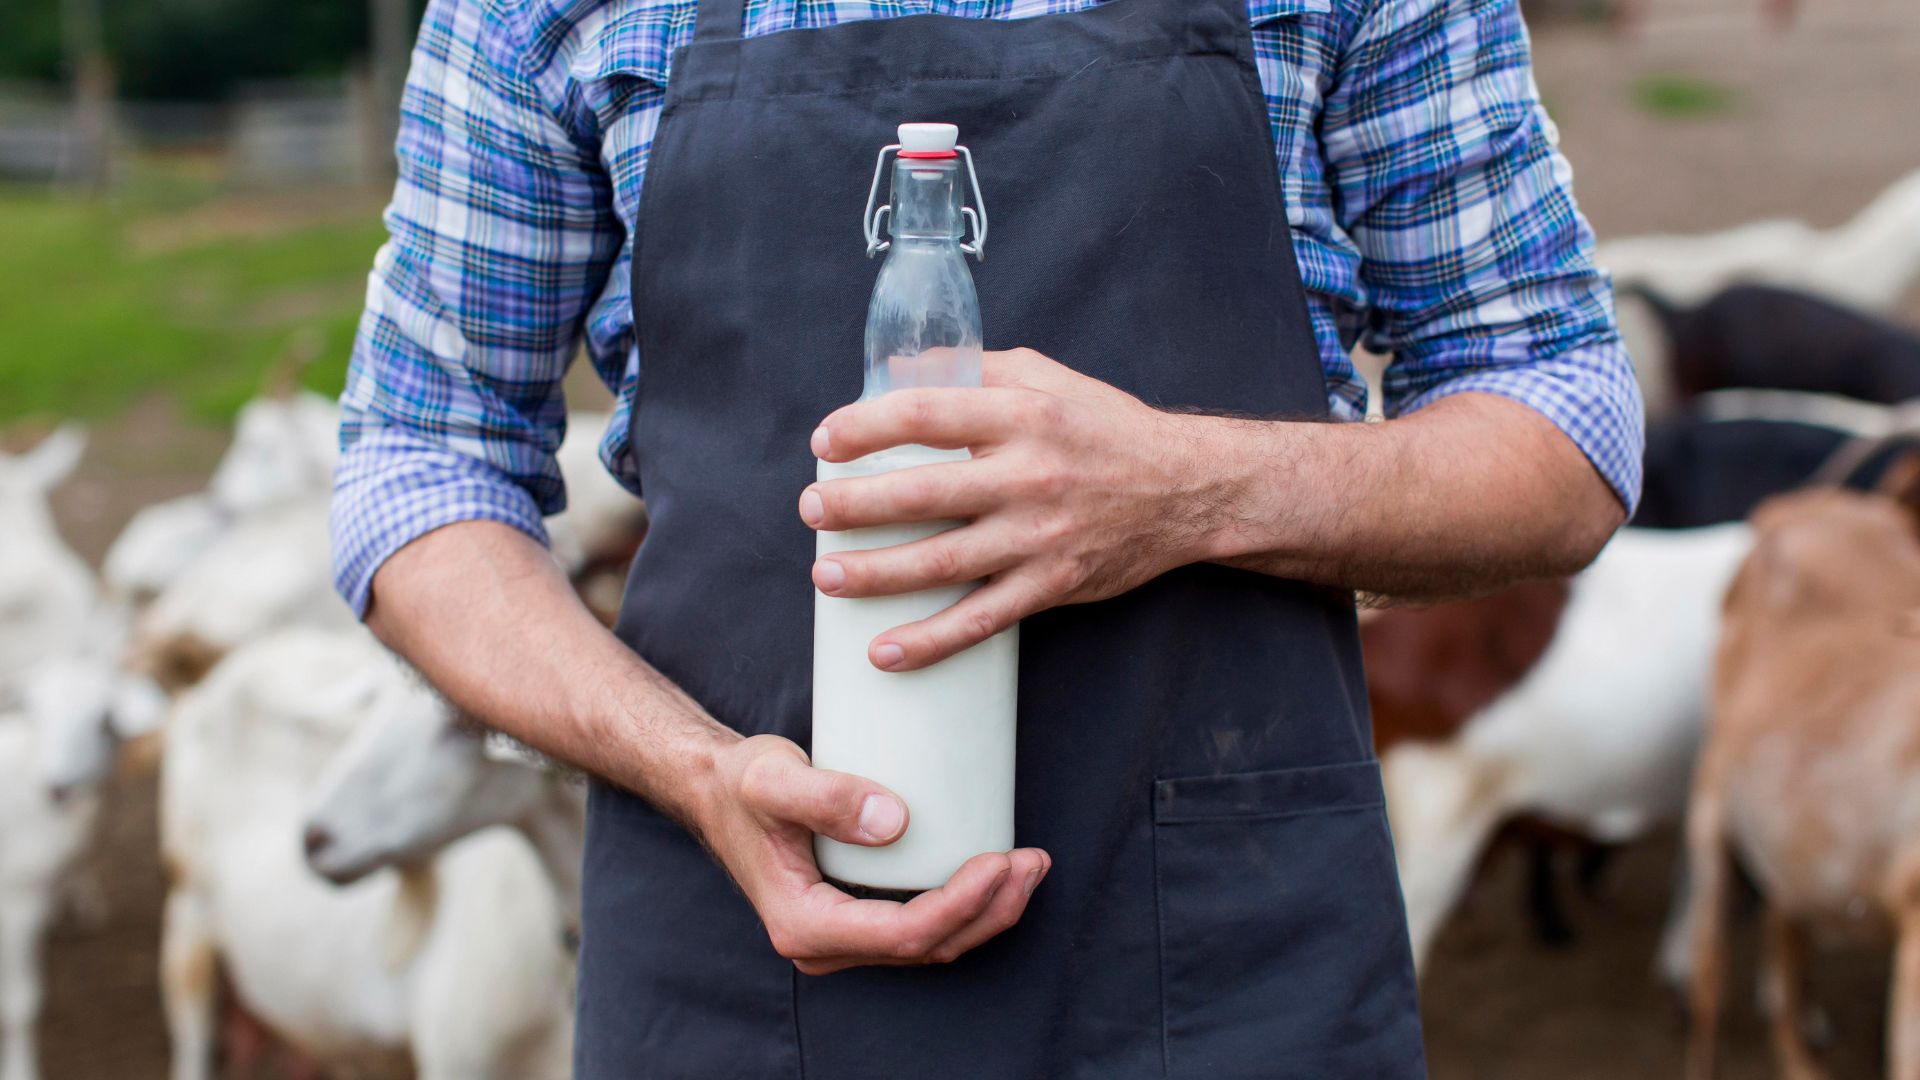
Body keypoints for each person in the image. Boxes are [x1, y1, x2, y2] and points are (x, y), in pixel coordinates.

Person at [331, 0, 1641, 1075]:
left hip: (1231, 969)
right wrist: (688, 769)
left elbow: (1562, 426)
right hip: (734, 980)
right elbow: (418, 464)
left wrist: (1192, 488)